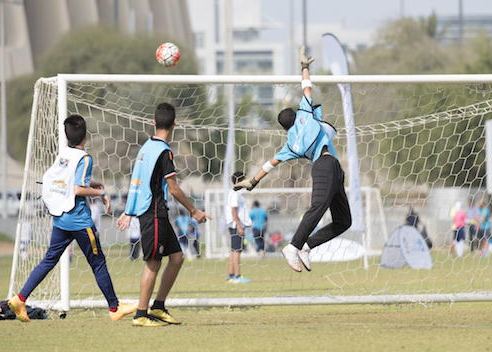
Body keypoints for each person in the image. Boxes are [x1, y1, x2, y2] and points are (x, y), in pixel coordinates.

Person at [7, 114, 137, 323]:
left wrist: (91, 183)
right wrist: (102, 193)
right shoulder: (85, 158)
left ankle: (20, 298)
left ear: (68, 137)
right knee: (98, 262)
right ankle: (115, 308)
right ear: (85, 136)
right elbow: (76, 189)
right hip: (78, 219)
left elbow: (67, 180)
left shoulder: (64, 154)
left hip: (60, 218)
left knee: (49, 259)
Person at [234, 45, 352, 273]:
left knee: (344, 221)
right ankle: (293, 246)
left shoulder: (290, 144)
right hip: (325, 165)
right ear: (297, 116)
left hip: (334, 168)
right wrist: (304, 66)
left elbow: (270, 163)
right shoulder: (306, 115)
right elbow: (306, 86)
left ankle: (306, 246)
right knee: (318, 206)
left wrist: (253, 182)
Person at [117, 103, 211, 327]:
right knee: (153, 263)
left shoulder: (146, 147)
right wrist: (194, 211)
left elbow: (135, 180)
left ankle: (158, 307)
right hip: (153, 213)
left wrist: (129, 210)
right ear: (175, 123)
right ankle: (141, 314)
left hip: (158, 213)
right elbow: (175, 188)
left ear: (153, 122)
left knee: (177, 258)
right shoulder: (164, 152)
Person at [225, 171, 253, 284]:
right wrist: (239, 226)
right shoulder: (235, 193)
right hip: (235, 225)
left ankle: (231, 276)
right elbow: (233, 211)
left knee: (233, 250)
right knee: (237, 250)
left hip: (235, 225)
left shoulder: (237, 193)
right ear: (239, 181)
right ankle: (237, 276)